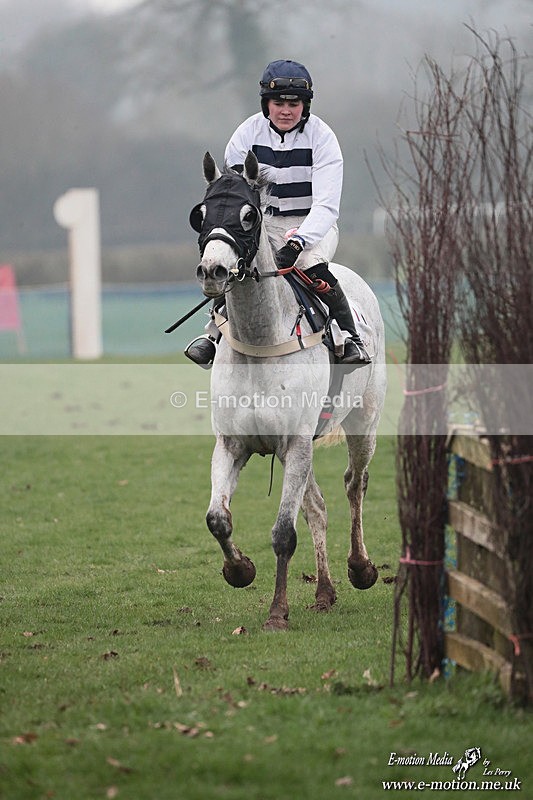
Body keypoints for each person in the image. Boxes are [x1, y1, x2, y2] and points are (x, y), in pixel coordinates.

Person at [185, 59, 371, 366]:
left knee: (310, 264)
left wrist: (298, 243)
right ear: (266, 104)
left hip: (311, 224)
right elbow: (233, 194)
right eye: (278, 103)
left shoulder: (323, 139)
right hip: (261, 223)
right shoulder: (246, 134)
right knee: (234, 263)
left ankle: (349, 336)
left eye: (294, 103)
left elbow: (326, 205)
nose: (285, 110)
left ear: (305, 106)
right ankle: (213, 336)